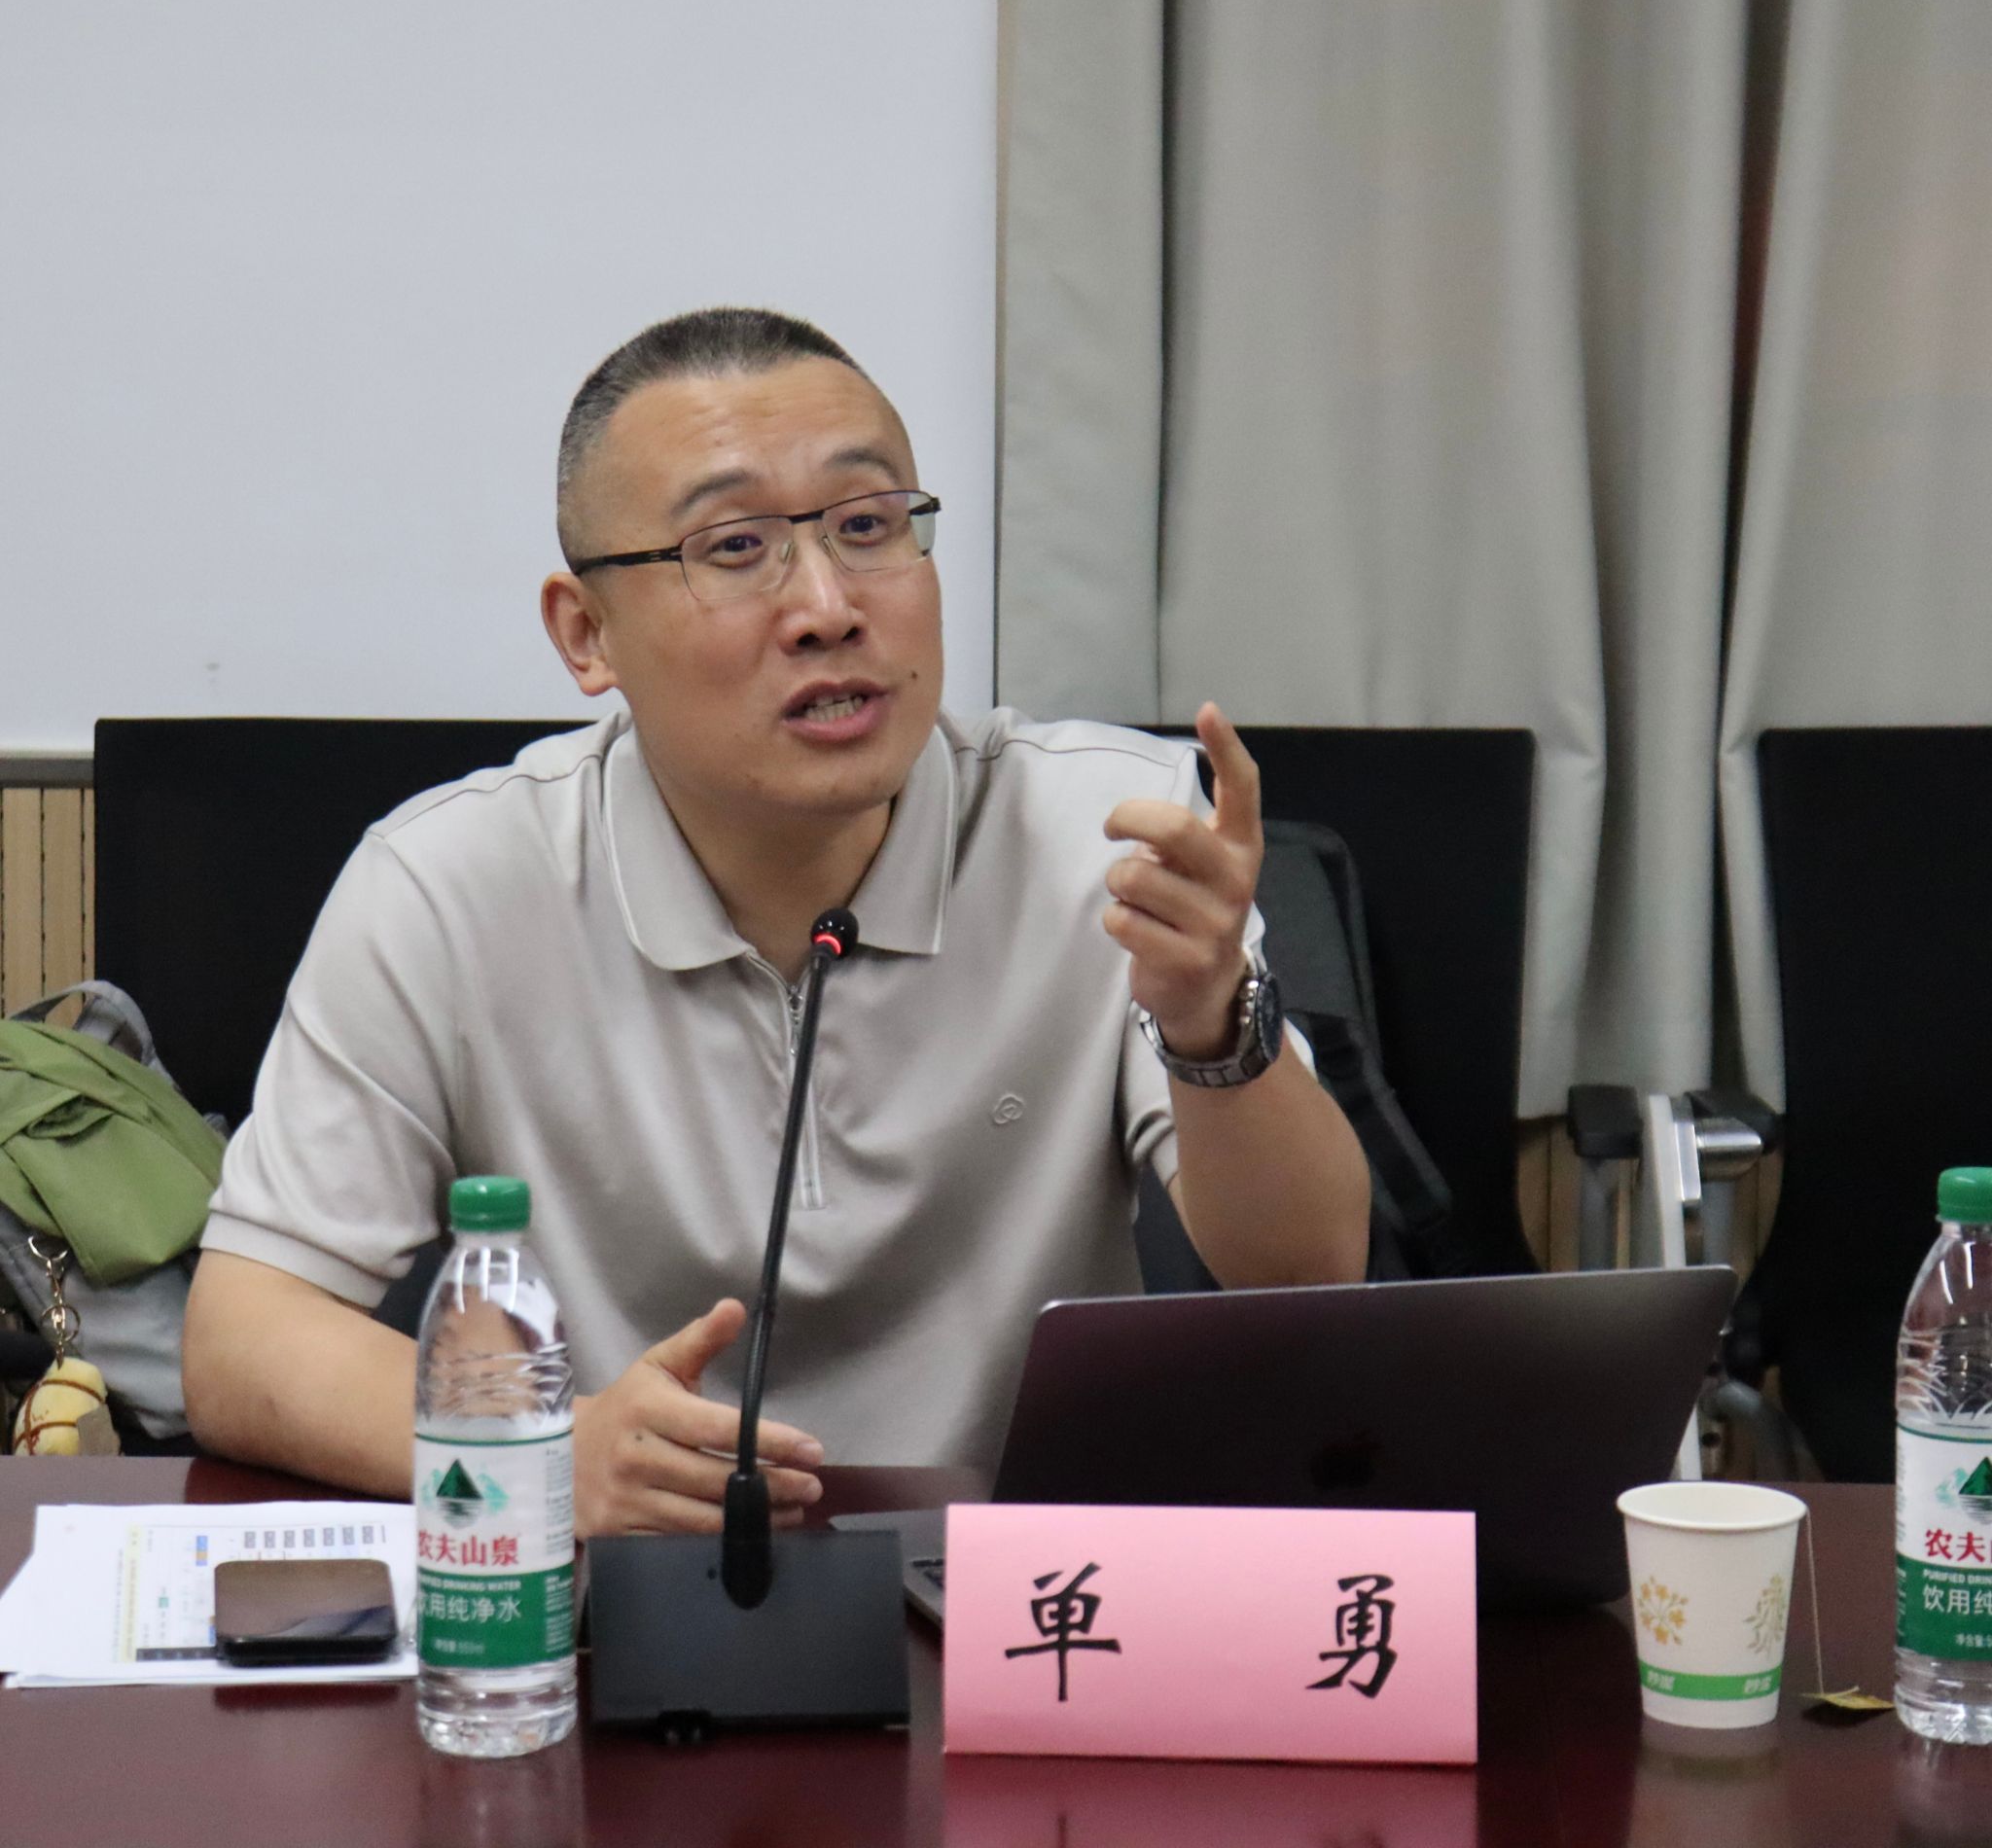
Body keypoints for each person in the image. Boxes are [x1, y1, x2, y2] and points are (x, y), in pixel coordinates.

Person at [181, 307, 1370, 1536]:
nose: (826, 605)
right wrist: (548, 1451)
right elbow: (242, 1335)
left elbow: (1308, 1273)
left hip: (1014, 1594)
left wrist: (1210, 1022)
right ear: (586, 634)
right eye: (736, 546)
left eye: (867, 525)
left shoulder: (1104, 833)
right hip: (632, 1586)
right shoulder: (450, 883)